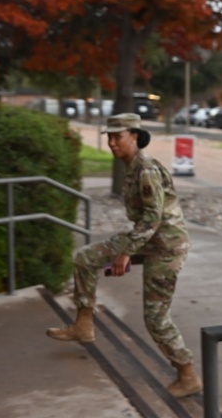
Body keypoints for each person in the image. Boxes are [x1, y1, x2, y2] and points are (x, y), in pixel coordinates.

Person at [46, 113, 201, 398]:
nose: (111, 143)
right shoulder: (131, 167)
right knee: (85, 258)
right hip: (146, 239)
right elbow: (144, 223)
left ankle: (187, 372)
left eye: (117, 137)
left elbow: (153, 218)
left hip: (166, 246)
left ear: (134, 136)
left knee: (155, 317)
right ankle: (83, 325)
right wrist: (127, 249)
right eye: (109, 137)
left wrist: (125, 254)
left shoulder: (146, 169)